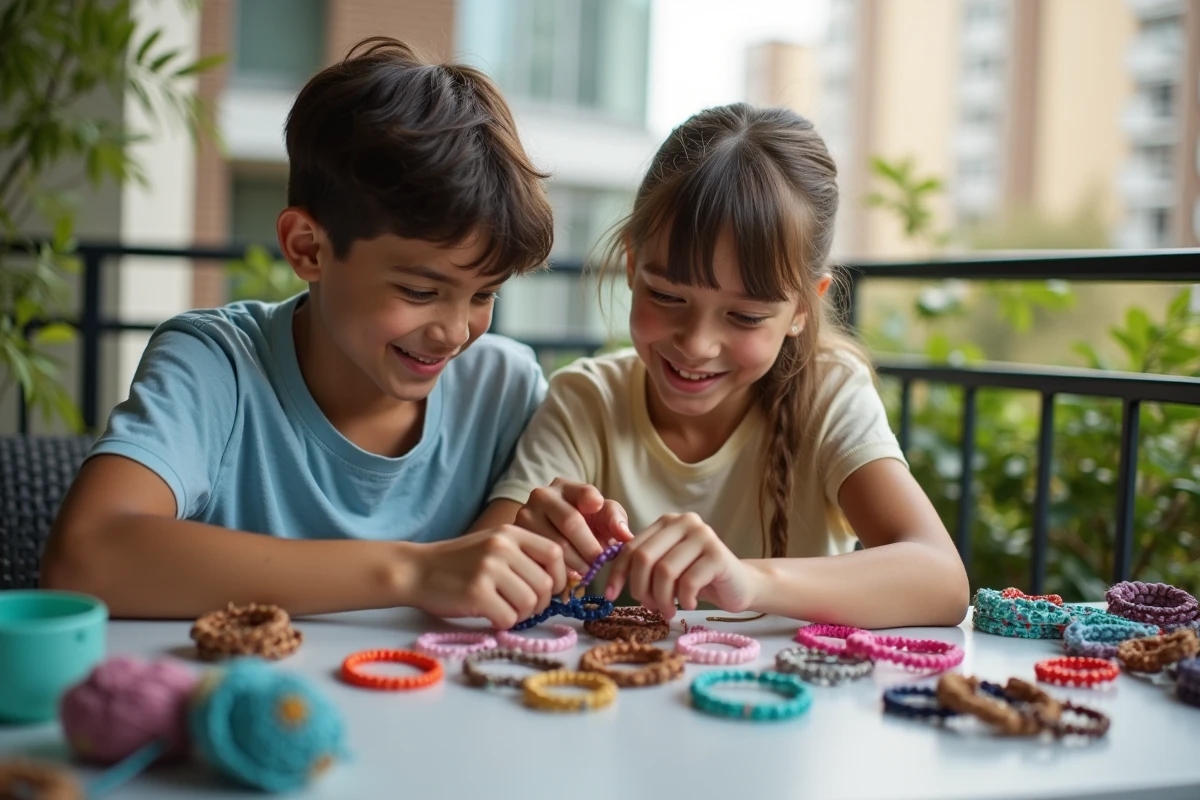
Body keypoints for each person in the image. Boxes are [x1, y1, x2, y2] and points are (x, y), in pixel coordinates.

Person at [41, 37, 569, 629]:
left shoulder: (505, 390)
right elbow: (85, 558)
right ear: (307, 248)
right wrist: (414, 572)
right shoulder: (217, 366)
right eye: (420, 292)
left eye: (484, 294)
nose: (453, 332)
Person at [477, 103, 970, 629]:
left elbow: (940, 580)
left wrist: (748, 580)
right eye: (667, 296)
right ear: (632, 265)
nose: (697, 344)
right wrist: (530, 545)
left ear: (803, 309)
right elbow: (479, 571)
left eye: (745, 316)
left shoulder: (828, 393)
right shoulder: (588, 399)